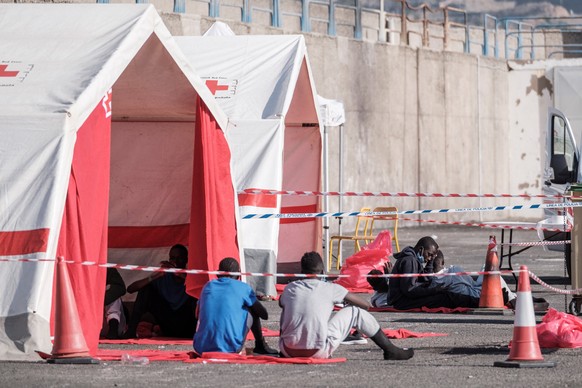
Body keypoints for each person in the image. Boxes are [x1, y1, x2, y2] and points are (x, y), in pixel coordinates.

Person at [278, 251, 414, 360]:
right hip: (317, 351)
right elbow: (365, 305)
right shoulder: (330, 288)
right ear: (322, 272)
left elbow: (281, 303)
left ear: (301, 271)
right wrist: (341, 299)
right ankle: (390, 350)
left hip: (287, 350)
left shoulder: (290, 288)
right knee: (355, 312)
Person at [193, 257, 278, 356]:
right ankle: (260, 345)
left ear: (218, 273)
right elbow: (264, 315)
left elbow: (197, 314)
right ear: (238, 274)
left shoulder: (208, 286)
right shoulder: (243, 287)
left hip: (201, 347)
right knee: (251, 307)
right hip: (231, 347)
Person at [124, 244, 197, 338]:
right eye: (173, 258)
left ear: (186, 260)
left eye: (180, 258)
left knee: (197, 296)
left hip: (187, 325)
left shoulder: (192, 276)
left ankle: (200, 335)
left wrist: (181, 275)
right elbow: (130, 289)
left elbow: (203, 290)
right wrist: (156, 275)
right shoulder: (164, 276)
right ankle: (131, 332)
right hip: (168, 321)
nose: (176, 262)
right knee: (146, 289)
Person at [389, 236, 458, 309]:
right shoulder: (409, 260)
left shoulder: (414, 260)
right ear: (421, 249)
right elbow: (409, 290)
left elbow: (426, 279)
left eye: (432, 256)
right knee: (442, 298)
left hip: (405, 298)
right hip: (401, 301)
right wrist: (433, 290)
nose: (429, 258)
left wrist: (431, 261)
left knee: (443, 294)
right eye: (429, 254)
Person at [101, 268, 127, 339]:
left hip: (110, 323)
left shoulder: (109, 270)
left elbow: (121, 289)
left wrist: (98, 300)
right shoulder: (79, 271)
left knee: (112, 292)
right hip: (88, 324)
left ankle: (113, 328)